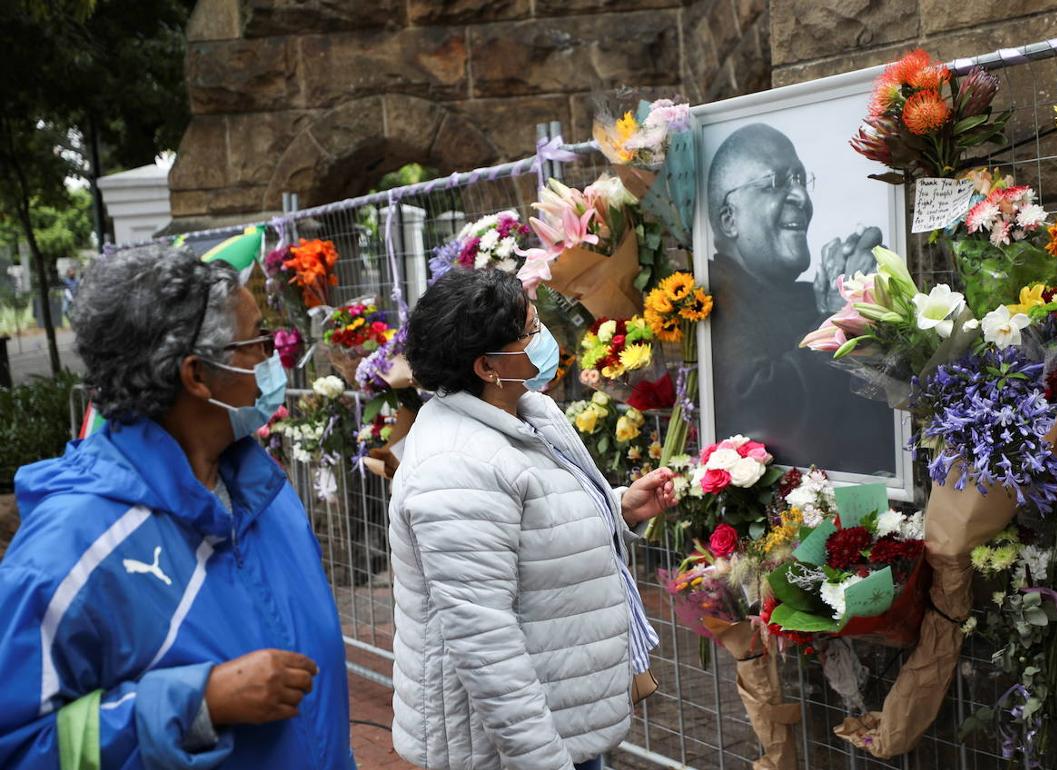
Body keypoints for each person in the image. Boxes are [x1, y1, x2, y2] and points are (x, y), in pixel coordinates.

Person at [0, 245, 355, 768]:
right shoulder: (68, 549)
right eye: (256, 340)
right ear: (196, 375)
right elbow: (17, 744)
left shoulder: (262, 489)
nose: (272, 354)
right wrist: (198, 702)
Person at [389, 268, 678, 770]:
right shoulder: (455, 468)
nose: (543, 336)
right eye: (529, 331)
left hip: (560, 714)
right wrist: (543, 760)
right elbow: (485, 643)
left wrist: (620, 505)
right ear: (486, 365)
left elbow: (535, 524)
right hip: (510, 747)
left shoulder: (529, 411)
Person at [706, 123, 894, 474]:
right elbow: (761, 410)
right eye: (777, 182)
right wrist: (835, 322)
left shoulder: (809, 296)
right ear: (729, 219)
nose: (801, 198)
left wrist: (872, 304)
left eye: (800, 180)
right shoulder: (711, 297)